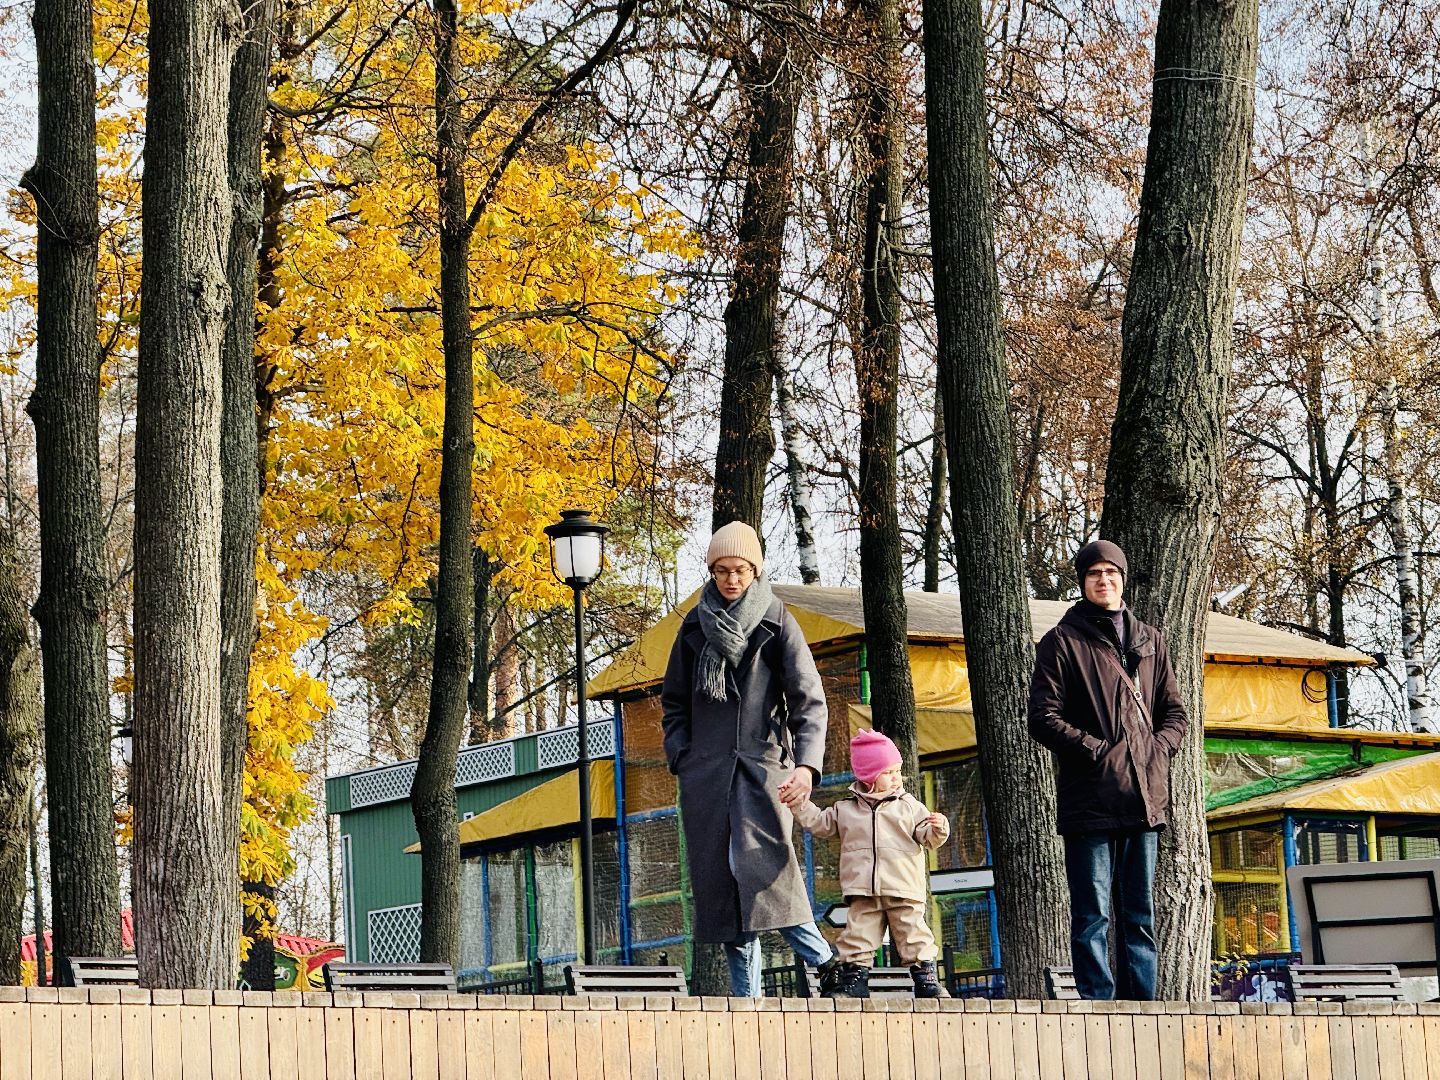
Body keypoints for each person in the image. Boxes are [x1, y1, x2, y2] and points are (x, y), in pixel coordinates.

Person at [661, 520, 838, 997]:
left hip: (763, 770)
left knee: (762, 870)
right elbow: (673, 702)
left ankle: (825, 960)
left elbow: (809, 701)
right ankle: (747, 1003)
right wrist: (683, 756)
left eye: (739, 570)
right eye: (721, 571)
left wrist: (806, 766)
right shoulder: (695, 625)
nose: (731, 580)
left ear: (755, 570)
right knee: (723, 890)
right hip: (708, 774)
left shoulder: (777, 620)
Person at [1027, 539, 1188, 1000]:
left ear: (1122, 578)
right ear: (1082, 582)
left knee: (1140, 913)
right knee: (1092, 912)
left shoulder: (1150, 639)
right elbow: (1042, 717)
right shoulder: (1062, 641)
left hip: (1144, 796)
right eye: (1094, 573)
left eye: (1111, 572)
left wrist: (1158, 750)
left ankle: (1144, 1008)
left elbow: (1175, 712)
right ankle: (1098, 1006)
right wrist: (1098, 750)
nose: (1104, 580)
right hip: (1090, 798)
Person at [790, 728, 950, 998]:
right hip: (862, 889)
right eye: (889, 772)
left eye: (898, 771)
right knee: (858, 937)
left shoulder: (909, 806)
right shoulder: (845, 809)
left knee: (913, 934)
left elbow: (929, 838)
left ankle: (926, 979)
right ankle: (855, 980)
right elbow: (819, 823)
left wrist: (939, 828)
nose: (897, 778)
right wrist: (799, 805)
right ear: (869, 776)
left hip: (903, 889)